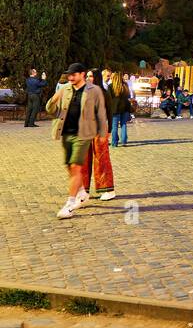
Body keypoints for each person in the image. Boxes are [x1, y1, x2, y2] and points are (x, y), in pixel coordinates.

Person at [46, 64, 108, 218]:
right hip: (66, 132)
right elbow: (51, 110)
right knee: (69, 166)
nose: (70, 78)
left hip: (84, 134)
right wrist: (53, 99)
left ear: (82, 74)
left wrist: (103, 133)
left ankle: (70, 204)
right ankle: (82, 192)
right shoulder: (65, 88)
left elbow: (101, 113)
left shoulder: (94, 90)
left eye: (74, 75)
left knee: (75, 167)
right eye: (69, 75)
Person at [83, 68, 116, 200]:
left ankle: (108, 189)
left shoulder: (104, 93)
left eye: (90, 76)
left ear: (96, 78)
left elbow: (110, 112)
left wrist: (109, 130)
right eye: (87, 76)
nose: (88, 79)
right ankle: (83, 190)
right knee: (83, 160)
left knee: (101, 159)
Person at [108, 72, 131, 147]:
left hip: (114, 108)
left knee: (114, 126)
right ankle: (124, 141)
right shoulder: (125, 85)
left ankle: (114, 142)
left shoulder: (111, 86)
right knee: (123, 124)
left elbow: (109, 98)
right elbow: (128, 96)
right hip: (125, 107)